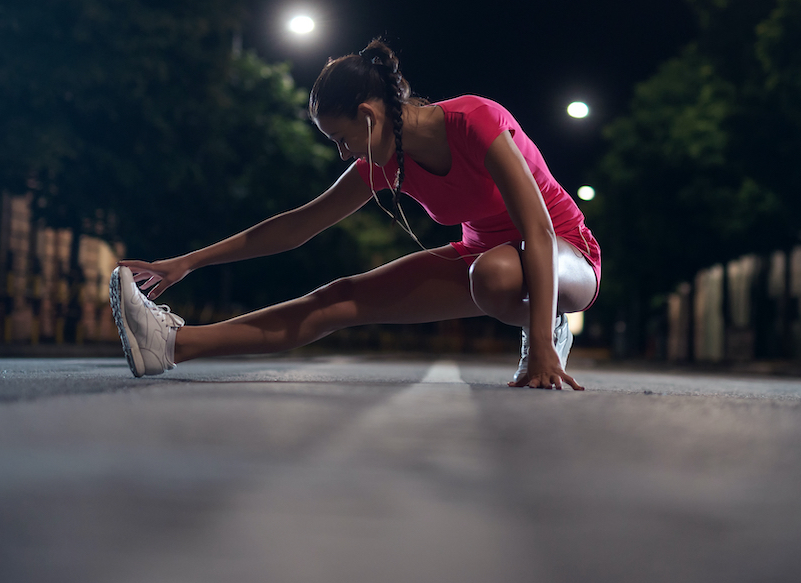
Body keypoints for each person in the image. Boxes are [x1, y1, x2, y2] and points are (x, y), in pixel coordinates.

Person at [110, 40, 601, 390]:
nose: (345, 154)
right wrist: (187, 262)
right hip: (482, 259)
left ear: (368, 115)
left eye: (342, 139)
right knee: (339, 298)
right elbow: (297, 225)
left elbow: (536, 231)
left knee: (493, 273)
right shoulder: (383, 162)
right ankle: (173, 345)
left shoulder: (476, 122)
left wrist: (539, 347)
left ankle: (549, 326)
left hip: (565, 252)